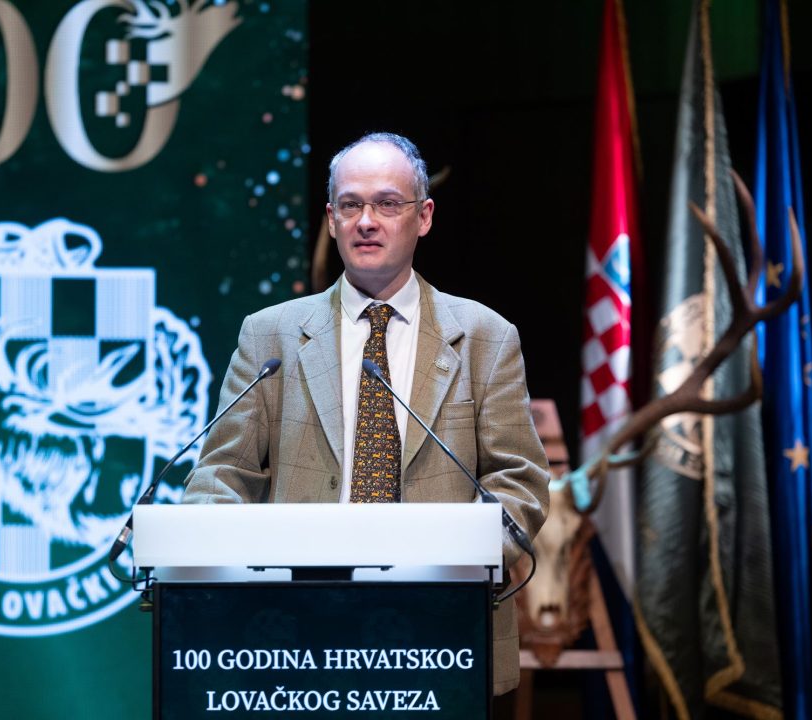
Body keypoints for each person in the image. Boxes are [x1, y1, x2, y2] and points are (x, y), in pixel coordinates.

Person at [182, 131, 550, 695]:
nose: (367, 221)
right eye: (350, 205)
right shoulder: (269, 335)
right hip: (294, 632)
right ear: (332, 220)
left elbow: (519, 482)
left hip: (441, 630)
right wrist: (228, 564)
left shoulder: (485, 337)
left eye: (387, 203)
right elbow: (220, 475)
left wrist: (458, 564)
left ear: (424, 217)